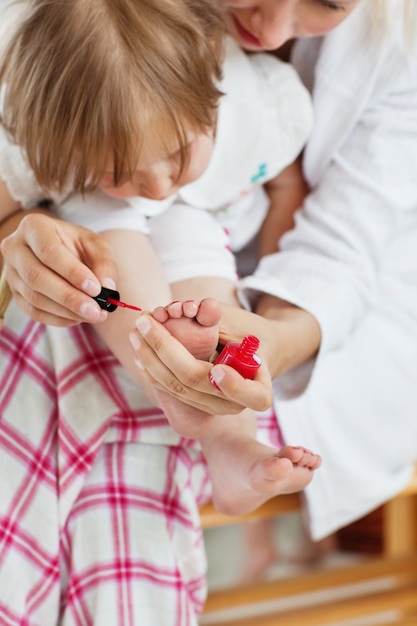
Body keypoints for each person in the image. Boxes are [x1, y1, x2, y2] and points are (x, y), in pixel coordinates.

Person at [1, 0, 416, 620]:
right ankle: (168, 392)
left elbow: (297, 197)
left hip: (234, 253)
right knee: (108, 245)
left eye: (179, 153)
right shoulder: (55, 109)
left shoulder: (258, 106)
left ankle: (227, 444)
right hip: (103, 233)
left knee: (197, 261)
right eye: (124, 168)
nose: (158, 184)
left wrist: (264, 309)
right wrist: (20, 228)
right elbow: (12, 192)